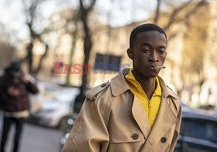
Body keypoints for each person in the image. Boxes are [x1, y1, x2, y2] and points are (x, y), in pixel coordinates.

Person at [62, 23, 182, 152]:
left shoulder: (173, 103)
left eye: (161, 51)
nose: (154, 58)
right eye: (146, 50)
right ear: (131, 53)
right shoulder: (102, 100)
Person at [0, 61, 38, 152]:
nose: (15, 74)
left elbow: (35, 91)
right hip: (8, 112)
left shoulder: (24, 78)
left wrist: (29, 81)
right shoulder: (4, 79)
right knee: (4, 137)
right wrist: (8, 92)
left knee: (17, 139)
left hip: (21, 113)